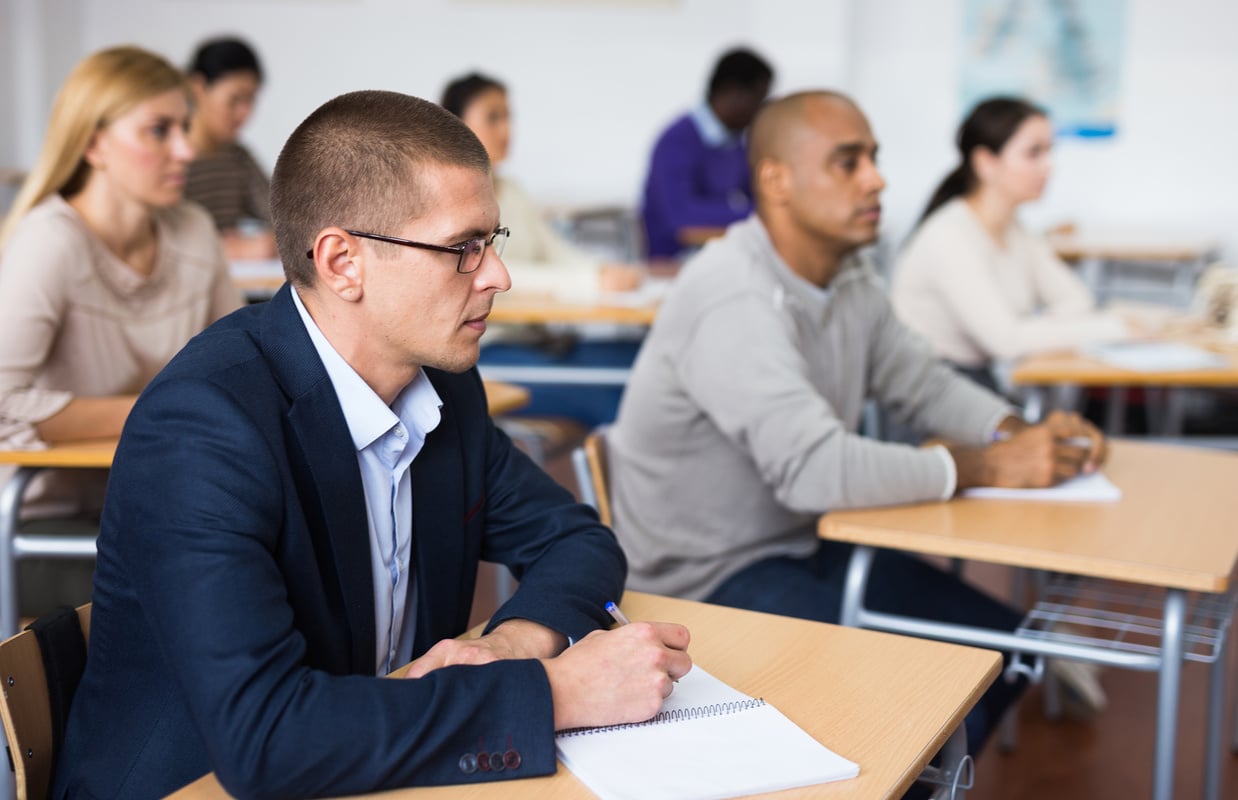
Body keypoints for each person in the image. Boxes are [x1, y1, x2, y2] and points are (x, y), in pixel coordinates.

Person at [55, 89, 692, 799]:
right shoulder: (204, 427)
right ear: (342, 262)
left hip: (378, 770)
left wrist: (510, 645)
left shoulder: (444, 389)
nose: (497, 276)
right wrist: (554, 691)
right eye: (462, 248)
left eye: (492, 242)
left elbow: (576, 539)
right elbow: (266, 741)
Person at [608, 91, 1109, 755]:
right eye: (848, 163)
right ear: (776, 181)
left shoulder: (849, 276)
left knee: (1006, 649)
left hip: (803, 541)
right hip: (705, 581)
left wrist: (1019, 433)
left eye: (873, 158)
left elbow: (921, 383)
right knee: (930, 697)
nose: (877, 179)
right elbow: (815, 471)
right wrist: (987, 464)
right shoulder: (733, 294)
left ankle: (922, 771)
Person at [0, 45, 240, 578]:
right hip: (45, 527)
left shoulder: (194, 230)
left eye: (185, 127)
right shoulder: (49, 241)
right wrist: (160, 412)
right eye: (159, 130)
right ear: (93, 142)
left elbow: (241, 373)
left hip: (167, 506)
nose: (185, 150)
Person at [442, 72, 643, 428]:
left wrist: (604, 273)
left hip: (539, 342)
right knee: (612, 395)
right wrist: (590, 283)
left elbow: (555, 250)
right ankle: (626, 482)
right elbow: (494, 271)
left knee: (642, 360)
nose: (507, 130)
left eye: (508, 116)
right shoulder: (448, 201)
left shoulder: (512, 190)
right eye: (493, 117)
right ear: (456, 125)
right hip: (490, 351)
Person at [892, 97, 1134, 391]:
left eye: (1049, 152)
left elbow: (1076, 300)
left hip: (975, 382)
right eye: (1034, 153)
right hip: (929, 393)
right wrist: (1119, 327)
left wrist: (1035, 330)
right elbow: (1007, 342)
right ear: (985, 163)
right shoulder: (948, 236)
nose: (1049, 166)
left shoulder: (1016, 230)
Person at [640, 47, 773, 259]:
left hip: (715, 252)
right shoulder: (677, 140)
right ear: (733, 92)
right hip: (674, 260)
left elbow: (759, 196)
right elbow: (681, 215)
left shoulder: (735, 141)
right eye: (758, 100)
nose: (760, 111)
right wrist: (758, 213)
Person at [184, 36, 278, 259]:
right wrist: (221, 247)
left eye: (251, 101)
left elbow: (283, 215)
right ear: (198, 88)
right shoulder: (171, 158)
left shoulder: (237, 157)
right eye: (235, 100)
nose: (244, 113)